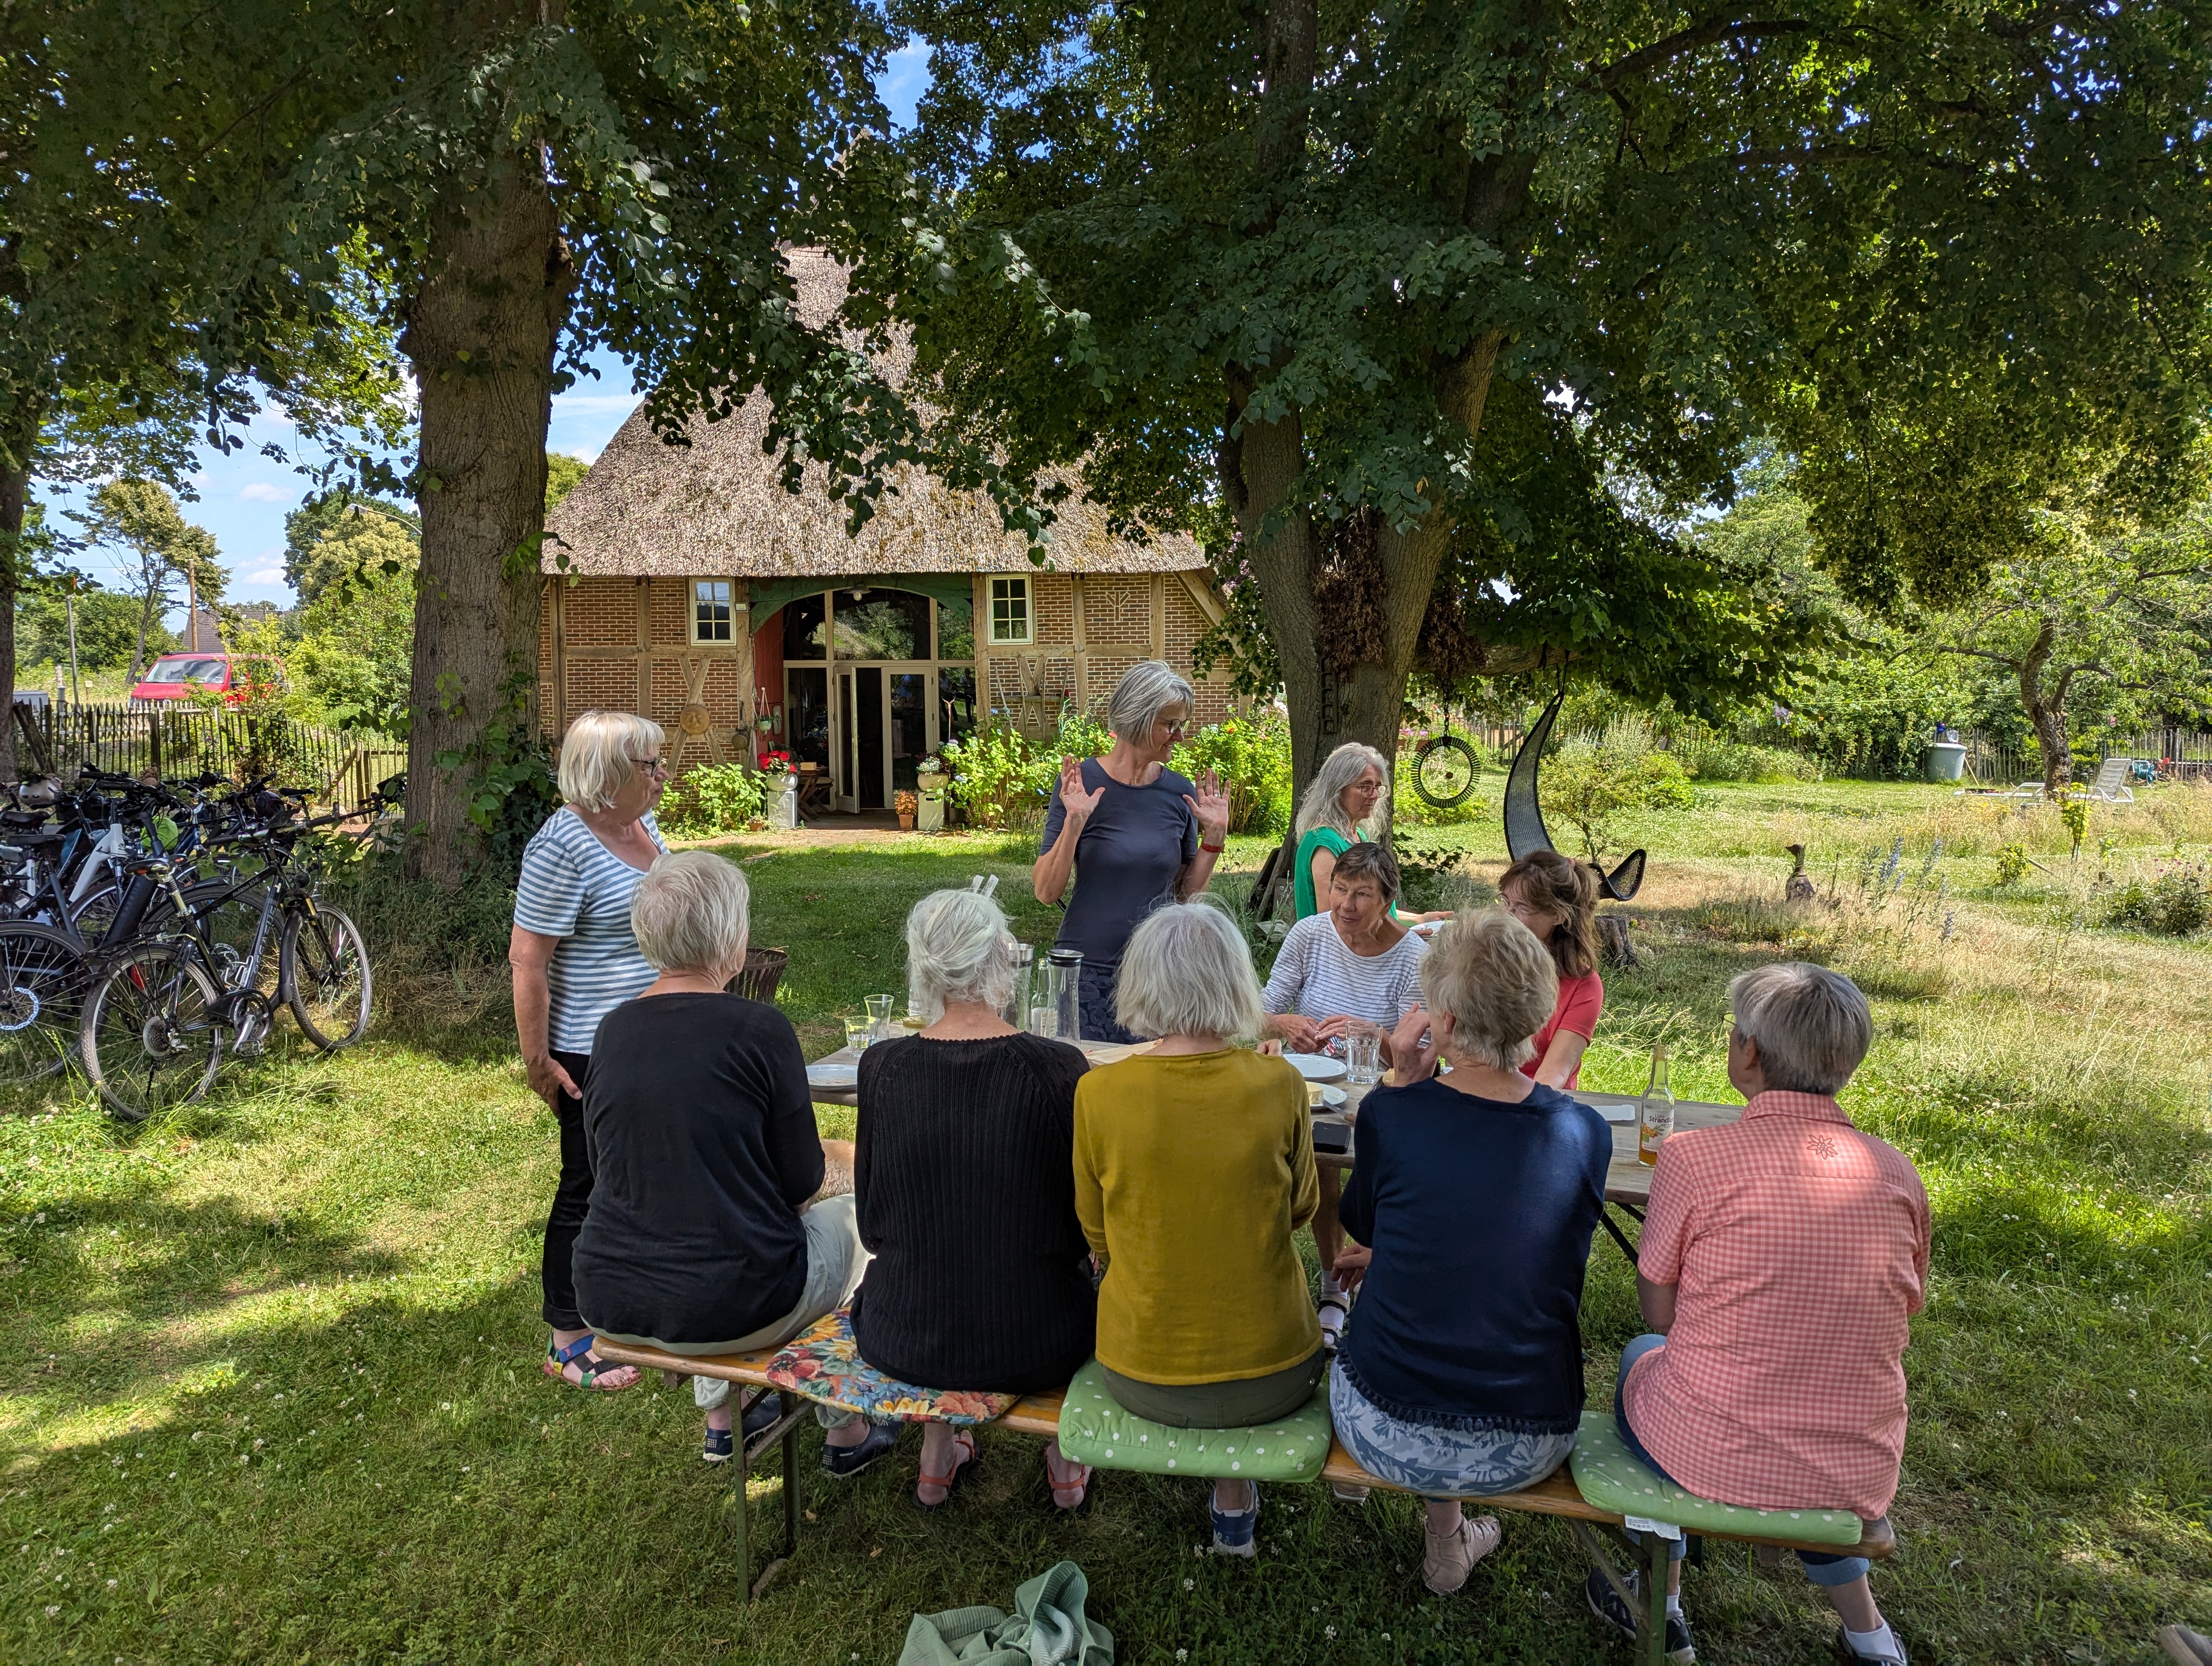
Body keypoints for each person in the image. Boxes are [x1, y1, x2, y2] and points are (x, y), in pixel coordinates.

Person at [1600, 964, 1930, 1666]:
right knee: (1797, 1404)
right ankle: (1871, 1637)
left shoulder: (1693, 1157)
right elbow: (1905, 1304)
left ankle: (1662, 1601)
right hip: (1854, 1465)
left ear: (1746, 1052)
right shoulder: (1897, 1175)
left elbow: (1659, 1312)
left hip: (1709, 1450)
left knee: (1641, 1359)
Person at [570, 851, 892, 1472]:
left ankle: (725, 1420)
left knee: (707, 1224)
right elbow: (802, 1180)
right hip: (742, 1301)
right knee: (862, 1221)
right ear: (731, 938)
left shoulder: (610, 1031)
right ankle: (846, 1427)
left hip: (611, 1295)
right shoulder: (759, 1028)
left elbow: (609, 1167)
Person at [1328, 909, 1612, 1594]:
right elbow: (1513, 1244)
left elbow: (1360, 1223)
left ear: (1444, 1022)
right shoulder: (1585, 1132)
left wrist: (1402, 1082)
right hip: (1532, 1434)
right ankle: (1448, 1541)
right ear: (1538, 1010)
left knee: (1399, 1330)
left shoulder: (1394, 1113)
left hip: (1383, 1423)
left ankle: (1444, 1534)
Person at [1071, 901, 1322, 1557]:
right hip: (1277, 1371)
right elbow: (1301, 1211)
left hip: (1137, 1367)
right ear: (1235, 981)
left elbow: (1095, 1234)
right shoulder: (1281, 1083)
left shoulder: (1098, 1094)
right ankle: (1233, 1499)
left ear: (1141, 982)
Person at [850, 888, 1098, 1509]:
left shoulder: (881, 1067)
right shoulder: (1058, 1067)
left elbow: (874, 1226)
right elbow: (1084, 1232)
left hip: (903, 1335)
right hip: (1042, 1338)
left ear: (923, 968)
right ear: (1001, 964)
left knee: (950, 1251)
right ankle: (1066, 1462)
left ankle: (939, 1451)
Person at [511, 709, 671, 1393]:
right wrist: (538, 1060)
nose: (664, 775)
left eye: (663, 761)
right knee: (588, 1186)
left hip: (654, 1039)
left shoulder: (643, 827)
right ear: (607, 774)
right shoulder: (563, 845)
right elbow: (528, 962)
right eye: (650, 765)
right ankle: (568, 1337)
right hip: (590, 1052)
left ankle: (638, 1305)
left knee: (646, 1177)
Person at [1259, 840, 1427, 1350]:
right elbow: (1260, 1009)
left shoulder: (1413, 955)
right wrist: (1281, 1023)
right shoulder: (1310, 935)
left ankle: (1379, 1279)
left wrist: (1370, 1033)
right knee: (1324, 1159)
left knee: (1381, 1175)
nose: (1346, 905)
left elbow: (1415, 1059)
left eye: (1362, 894)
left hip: (1386, 1095)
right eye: (1339, 889)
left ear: (1387, 900)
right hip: (1314, 1089)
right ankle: (1334, 1289)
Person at [1033, 661, 1232, 1041]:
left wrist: (1215, 837)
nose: (1179, 736)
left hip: (1158, 972)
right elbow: (1046, 892)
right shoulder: (1082, 784)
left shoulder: (1179, 791)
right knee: (1083, 1087)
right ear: (1138, 719)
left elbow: (1185, 897)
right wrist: (1075, 821)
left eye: (1181, 725)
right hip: (1085, 971)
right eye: (1169, 724)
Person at [1287, 741, 1449, 922]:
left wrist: (1419, 919)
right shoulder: (1324, 844)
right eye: (1365, 787)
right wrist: (1404, 939)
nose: (1374, 796)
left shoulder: (1357, 836)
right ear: (1338, 790)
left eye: (1377, 787)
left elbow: (1372, 912)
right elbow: (1337, 924)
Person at [1497, 850, 1603, 1090]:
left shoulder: (1582, 985)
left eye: (1523, 908)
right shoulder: (1486, 961)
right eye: (1505, 902)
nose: (1507, 915)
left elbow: (1554, 1072)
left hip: (1539, 1105)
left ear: (1558, 915)